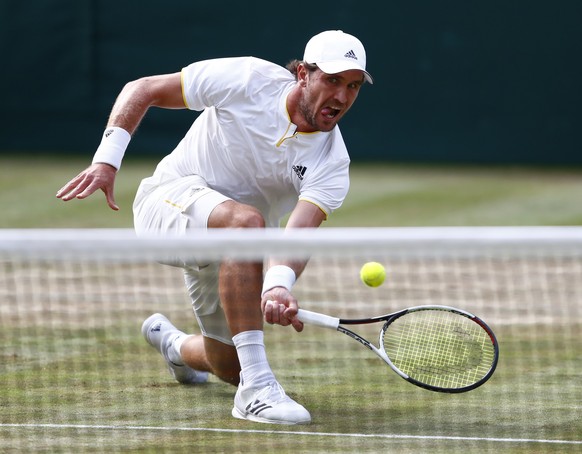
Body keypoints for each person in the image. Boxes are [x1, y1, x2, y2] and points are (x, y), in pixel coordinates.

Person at [56, 30, 373, 425]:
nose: (343, 97)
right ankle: (257, 390)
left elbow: (299, 231)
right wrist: (106, 160)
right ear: (304, 74)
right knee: (246, 223)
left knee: (228, 366)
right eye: (333, 80)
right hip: (167, 206)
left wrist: (278, 284)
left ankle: (174, 345)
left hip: (236, 250)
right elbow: (144, 89)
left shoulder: (331, 161)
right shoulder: (247, 79)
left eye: (354, 86)